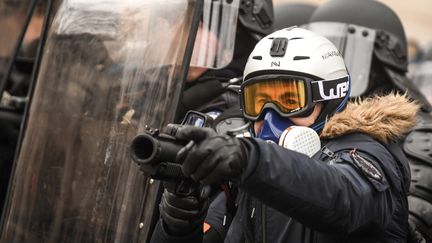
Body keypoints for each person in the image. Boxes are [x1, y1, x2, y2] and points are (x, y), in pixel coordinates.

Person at [150, 27, 418, 243]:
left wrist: (250, 159)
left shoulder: (368, 153)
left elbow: (343, 198)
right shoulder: (254, 173)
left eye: (290, 99)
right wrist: (180, 222)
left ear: (329, 100)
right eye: (259, 100)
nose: (270, 115)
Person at [307, 0, 432, 240]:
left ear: (382, 58)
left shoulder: (421, 133)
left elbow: (408, 226)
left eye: (345, 51)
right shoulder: (312, 122)